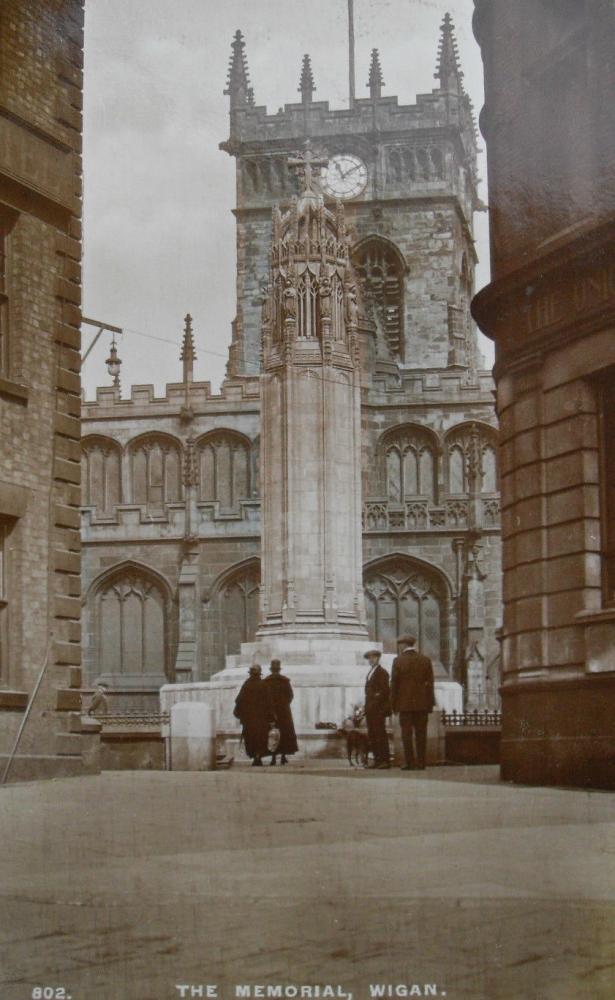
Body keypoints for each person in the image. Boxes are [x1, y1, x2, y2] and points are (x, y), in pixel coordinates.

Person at [390, 634, 435, 771]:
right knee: (421, 734)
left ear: (402, 645)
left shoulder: (398, 661)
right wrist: (430, 704)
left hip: (404, 705)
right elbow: (430, 684)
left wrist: (394, 705)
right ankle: (421, 763)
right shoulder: (425, 660)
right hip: (422, 705)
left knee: (406, 735)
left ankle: (410, 762)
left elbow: (394, 685)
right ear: (413, 644)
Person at [233, 665, 276, 767]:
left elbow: (239, 700)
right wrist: (271, 717)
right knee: (261, 737)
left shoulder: (246, 685)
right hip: (262, 719)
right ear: (259, 674)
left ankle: (254, 757)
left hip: (249, 719)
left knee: (251, 738)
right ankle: (258, 756)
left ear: (250, 674)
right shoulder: (264, 685)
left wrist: (241, 714)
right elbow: (269, 703)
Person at [264, 659, 298, 765]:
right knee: (285, 733)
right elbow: (290, 695)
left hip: (271, 711)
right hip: (284, 711)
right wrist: (284, 704)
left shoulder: (266, 681)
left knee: (272, 733)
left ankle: (273, 758)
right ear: (279, 669)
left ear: (271, 669)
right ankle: (283, 756)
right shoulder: (285, 681)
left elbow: (264, 697)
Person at [363, 649, 391, 769]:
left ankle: (384, 760)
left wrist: (374, 701)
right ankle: (377, 759)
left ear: (378, 658)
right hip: (370, 709)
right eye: (369, 658)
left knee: (380, 734)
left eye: (373, 657)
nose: (371, 660)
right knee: (373, 735)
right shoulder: (370, 672)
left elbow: (384, 691)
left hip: (378, 709)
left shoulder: (382, 672)